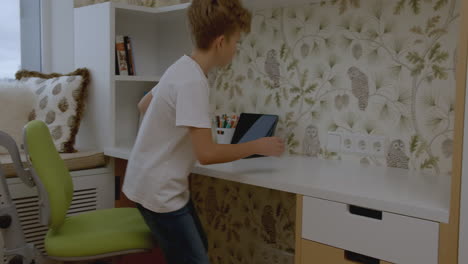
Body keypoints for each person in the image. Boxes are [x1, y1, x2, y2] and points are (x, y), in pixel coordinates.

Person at [122, 0, 285, 263]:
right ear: (221, 42)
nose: (235, 50)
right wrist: (257, 146)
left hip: (145, 182)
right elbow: (207, 154)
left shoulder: (181, 66)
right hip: (160, 192)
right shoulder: (193, 82)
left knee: (200, 245)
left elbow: (143, 105)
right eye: (236, 43)